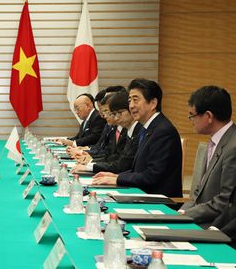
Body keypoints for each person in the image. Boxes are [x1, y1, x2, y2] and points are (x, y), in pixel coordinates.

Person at [92, 78, 183, 197]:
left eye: (136, 100)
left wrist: (118, 179)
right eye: (129, 101)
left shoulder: (163, 131)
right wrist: (117, 176)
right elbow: (140, 170)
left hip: (158, 201)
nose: (131, 106)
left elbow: (152, 176)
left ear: (153, 103)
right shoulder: (148, 128)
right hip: (142, 193)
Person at [179, 86, 236, 227]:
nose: (190, 120)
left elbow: (225, 202)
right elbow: (198, 194)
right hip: (202, 221)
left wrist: (185, 215)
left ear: (209, 116)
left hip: (219, 231)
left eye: (192, 115)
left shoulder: (233, 147)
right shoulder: (213, 142)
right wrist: (178, 215)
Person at [72, 91, 141, 174]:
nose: (115, 117)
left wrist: (91, 163)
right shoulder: (119, 128)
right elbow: (110, 153)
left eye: (118, 113)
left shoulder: (137, 130)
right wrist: (89, 159)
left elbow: (122, 164)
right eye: (113, 113)